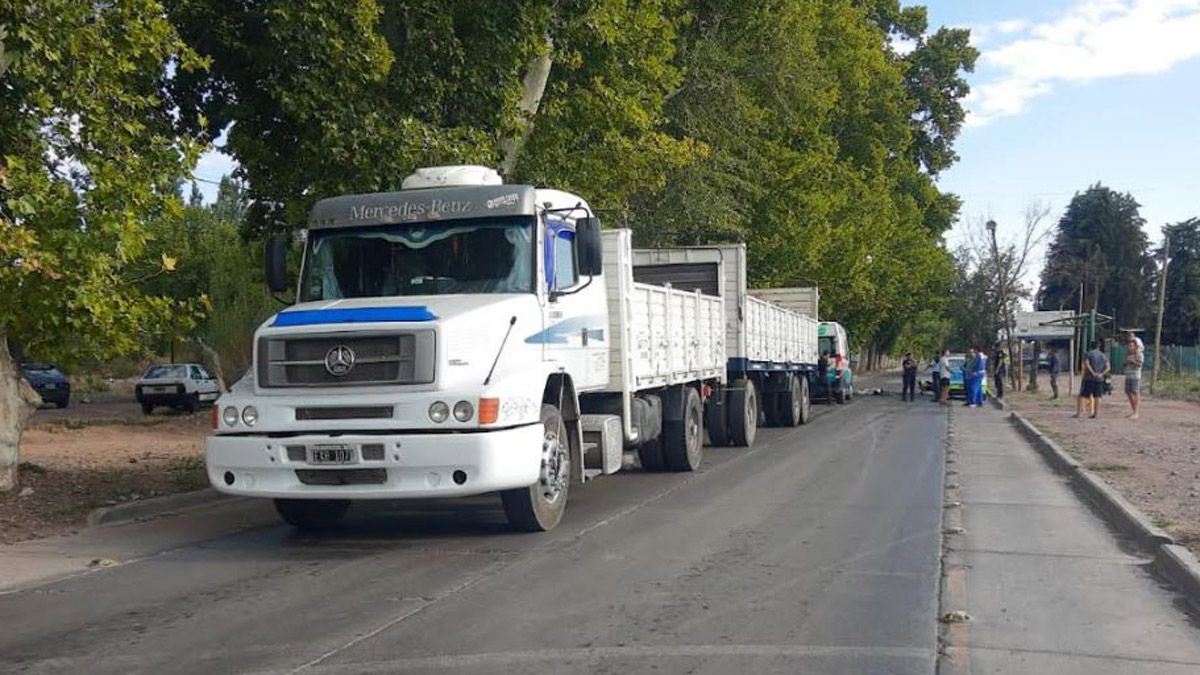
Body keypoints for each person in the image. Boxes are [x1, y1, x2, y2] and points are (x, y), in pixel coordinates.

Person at [1075, 340, 1110, 419]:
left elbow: (1087, 364)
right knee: (1097, 396)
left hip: (1089, 378)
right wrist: (1101, 374)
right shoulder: (1103, 355)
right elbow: (1108, 367)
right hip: (1099, 379)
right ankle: (1096, 413)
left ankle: (1079, 413)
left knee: (1082, 395)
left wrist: (1093, 372)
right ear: (1099, 346)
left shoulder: (1088, 354)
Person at [1123, 330, 1144, 419]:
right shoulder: (1128, 354)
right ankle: (1134, 410)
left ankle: (1136, 412)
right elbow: (1124, 363)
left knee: (1135, 392)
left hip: (1135, 375)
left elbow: (1139, 364)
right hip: (1128, 374)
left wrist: (1132, 361)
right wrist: (1126, 362)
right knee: (1128, 392)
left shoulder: (1139, 351)